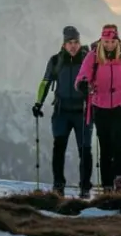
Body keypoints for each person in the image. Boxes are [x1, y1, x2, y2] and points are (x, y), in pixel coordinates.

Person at [75, 25, 121, 192]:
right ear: (101, 40)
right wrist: (82, 84)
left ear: (117, 41)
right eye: (106, 42)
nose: (109, 45)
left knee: (118, 141)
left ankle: (119, 179)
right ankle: (107, 184)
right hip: (100, 105)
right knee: (105, 144)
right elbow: (83, 75)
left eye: (112, 42)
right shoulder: (93, 56)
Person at [33, 26, 94, 198]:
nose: (73, 46)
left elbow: (96, 82)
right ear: (64, 44)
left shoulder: (88, 60)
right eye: (70, 42)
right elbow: (45, 82)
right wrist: (38, 103)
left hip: (83, 111)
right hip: (62, 112)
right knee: (59, 148)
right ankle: (58, 185)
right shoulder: (56, 61)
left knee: (85, 150)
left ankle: (85, 187)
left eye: (76, 42)